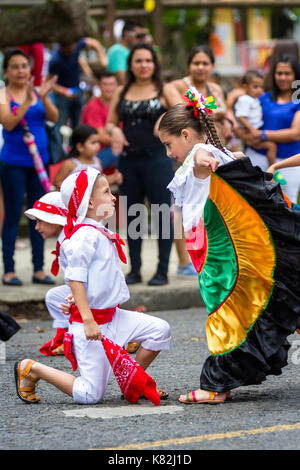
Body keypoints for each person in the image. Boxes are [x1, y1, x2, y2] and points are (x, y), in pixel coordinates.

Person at [158, 88, 300, 403]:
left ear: (185, 134)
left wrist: (205, 158)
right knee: (259, 298)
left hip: (219, 255)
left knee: (225, 310)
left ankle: (215, 385)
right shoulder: (219, 153)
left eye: (169, 144)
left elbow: (200, 156)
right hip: (225, 248)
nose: (168, 152)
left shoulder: (199, 154)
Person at [14, 167, 171, 405]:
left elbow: (92, 278)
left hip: (114, 317)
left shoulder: (98, 231)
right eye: (107, 192)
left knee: (160, 330)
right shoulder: (82, 236)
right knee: (90, 395)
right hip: (93, 324)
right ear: (88, 203)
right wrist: (87, 319)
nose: (113, 197)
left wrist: (77, 299)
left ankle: (131, 379)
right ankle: (31, 368)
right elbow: (75, 278)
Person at [106, 43, 182, 286]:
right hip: (129, 160)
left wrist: (164, 116)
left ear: (154, 63)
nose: (144, 65)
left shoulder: (165, 89)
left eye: (148, 60)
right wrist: (114, 133)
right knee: (133, 216)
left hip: (157, 159)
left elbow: (184, 112)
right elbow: (109, 123)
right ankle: (135, 270)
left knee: (161, 214)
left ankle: (162, 271)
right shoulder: (122, 91)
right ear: (131, 65)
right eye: (138, 61)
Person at [0, 49, 58, 286]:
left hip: (39, 165)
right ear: (6, 72)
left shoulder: (38, 92)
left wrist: (42, 97)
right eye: (15, 66)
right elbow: (9, 122)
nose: (21, 70)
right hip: (13, 163)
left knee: (40, 215)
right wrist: (25, 100)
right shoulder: (3, 94)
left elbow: (54, 117)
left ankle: (38, 269)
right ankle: (10, 270)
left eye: (24, 66)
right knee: (13, 215)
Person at [238, 55, 300, 203]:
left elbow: (295, 133)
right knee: (251, 201)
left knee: (286, 203)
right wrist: (245, 135)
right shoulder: (264, 97)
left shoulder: (297, 101)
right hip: (257, 155)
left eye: (287, 73)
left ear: (295, 76)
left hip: (288, 161)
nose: (282, 77)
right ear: (273, 75)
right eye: (279, 73)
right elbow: (243, 118)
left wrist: (262, 134)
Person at [24, 191, 70, 356]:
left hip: (94, 294)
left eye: (40, 221)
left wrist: (78, 300)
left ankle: (120, 336)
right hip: (85, 292)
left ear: (56, 222)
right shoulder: (65, 237)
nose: (36, 227)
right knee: (54, 296)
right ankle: (65, 336)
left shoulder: (70, 241)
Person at [47, 38, 107, 162]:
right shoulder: (56, 60)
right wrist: (64, 91)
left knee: (78, 124)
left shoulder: (77, 44)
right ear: (62, 47)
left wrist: (102, 57)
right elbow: (48, 82)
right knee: (58, 125)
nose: (73, 49)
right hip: (62, 95)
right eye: (70, 48)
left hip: (77, 91)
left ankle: (76, 153)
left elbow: (94, 43)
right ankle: (59, 157)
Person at [53, 124, 122, 189]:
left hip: (93, 201)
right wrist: (75, 190)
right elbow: (57, 182)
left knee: (124, 199)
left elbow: (99, 182)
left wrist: (114, 178)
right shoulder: (70, 164)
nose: (98, 146)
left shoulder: (98, 162)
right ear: (80, 147)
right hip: (76, 201)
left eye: (98, 142)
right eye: (93, 143)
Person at [234, 70, 277, 166]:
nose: (259, 90)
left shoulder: (254, 99)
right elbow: (240, 116)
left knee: (271, 145)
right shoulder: (244, 99)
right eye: (255, 87)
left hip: (255, 130)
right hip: (250, 131)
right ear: (245, 87)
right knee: (272, 146)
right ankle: (274, 169)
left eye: (261, 87)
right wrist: (251, 129)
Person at [171, 45, 227, 117]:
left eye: (205, 63)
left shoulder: (217, 89)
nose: (200, 67)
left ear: (212, 66)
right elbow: (181, 115)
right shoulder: (176, 86)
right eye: (196, 63)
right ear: (189, 66)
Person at [81, 71, 120, 171]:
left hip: (114, 148)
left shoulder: (119, 103)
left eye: (111, 84)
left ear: (117, 86)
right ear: (99, 86)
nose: (109, 88)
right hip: (98, 152)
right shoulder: (93, 106)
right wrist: (123, 142)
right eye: (105, 85)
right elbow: (100, 136)